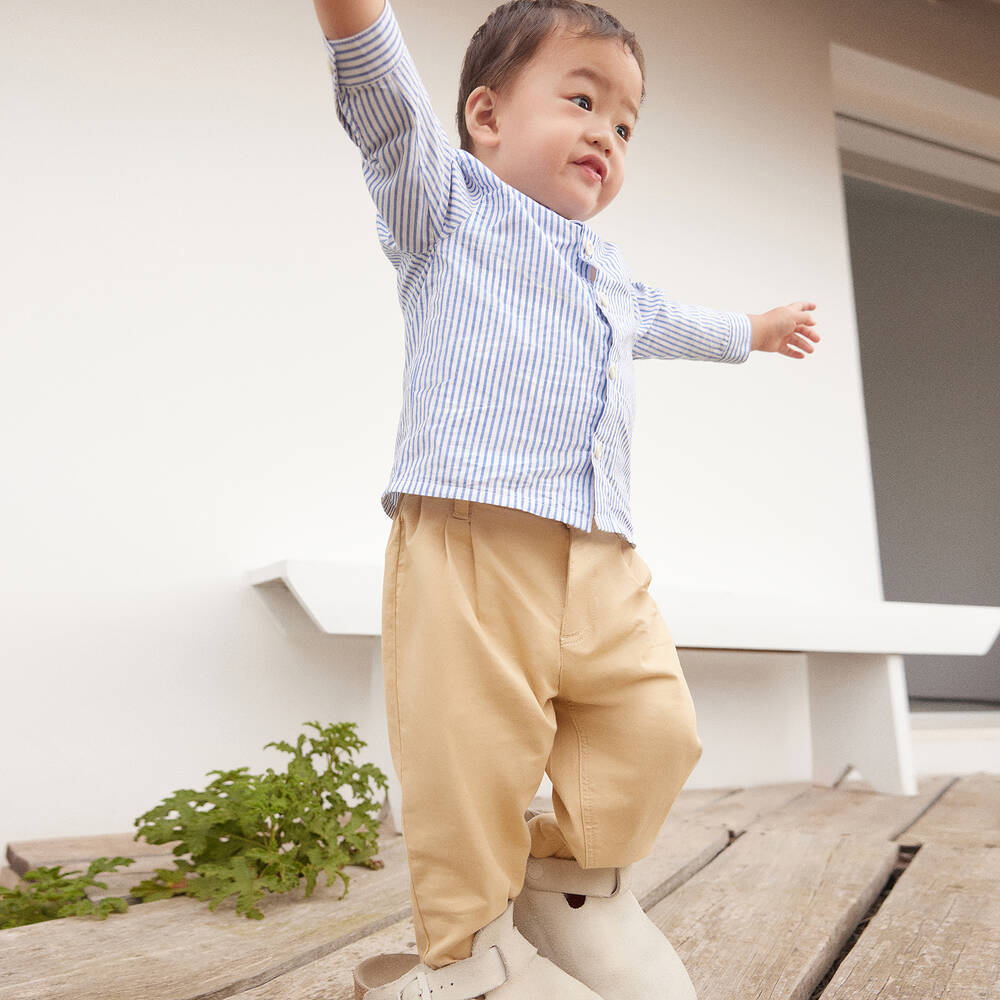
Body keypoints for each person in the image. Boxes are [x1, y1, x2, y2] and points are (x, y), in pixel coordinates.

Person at [314, 2, 821, 998]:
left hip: (601, 551)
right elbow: (387, 111)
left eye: (626, 125)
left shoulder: (609, 272)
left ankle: (573, 878)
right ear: (487, 117)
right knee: (473, 758)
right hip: (471, 535)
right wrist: (353, 21)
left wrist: (750, 329)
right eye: (582, 99)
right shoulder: (444, 203)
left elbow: (666, 321)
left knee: (653, 726)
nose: (606, 132)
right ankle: (465, 960)